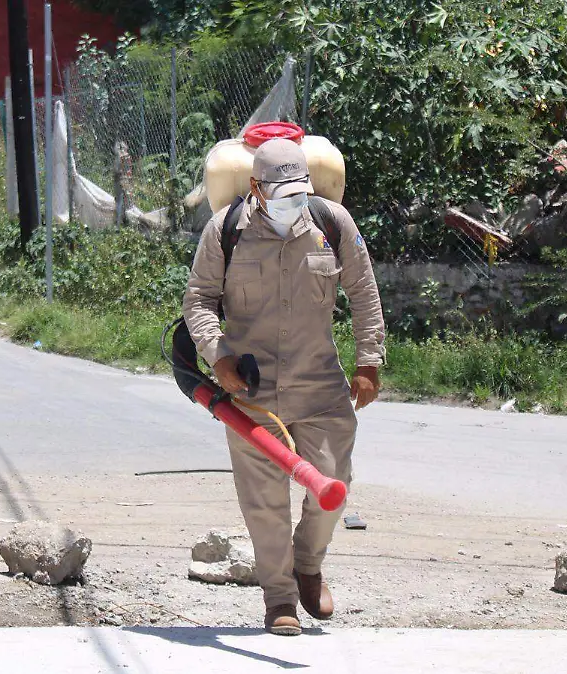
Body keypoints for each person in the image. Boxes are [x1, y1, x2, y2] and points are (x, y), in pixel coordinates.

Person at [182, 137, 386, 636]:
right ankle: (279, 599)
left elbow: (364, 293)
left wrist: (369, 361)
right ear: (256, 187)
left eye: (301, 191)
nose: (294, 201)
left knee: (333, 484)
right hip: (250, 389)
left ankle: (308, 566)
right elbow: (199, 300)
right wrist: (218, 357)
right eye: (282, 193)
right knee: (264, 501)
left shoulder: (332, 225)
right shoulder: (225, 230)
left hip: (321, 385)